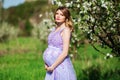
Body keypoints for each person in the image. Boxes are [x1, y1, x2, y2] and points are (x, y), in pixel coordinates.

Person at [43, 6, 77, 80]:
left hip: (60, 68)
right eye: (57, 13)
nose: (58, 16)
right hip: (51, 68)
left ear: (66, 18)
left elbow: (65, 52)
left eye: (61, 15)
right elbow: (50, 47)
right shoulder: (54, 29)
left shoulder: (66, 30)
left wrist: (53, 66)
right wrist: (46, 62)